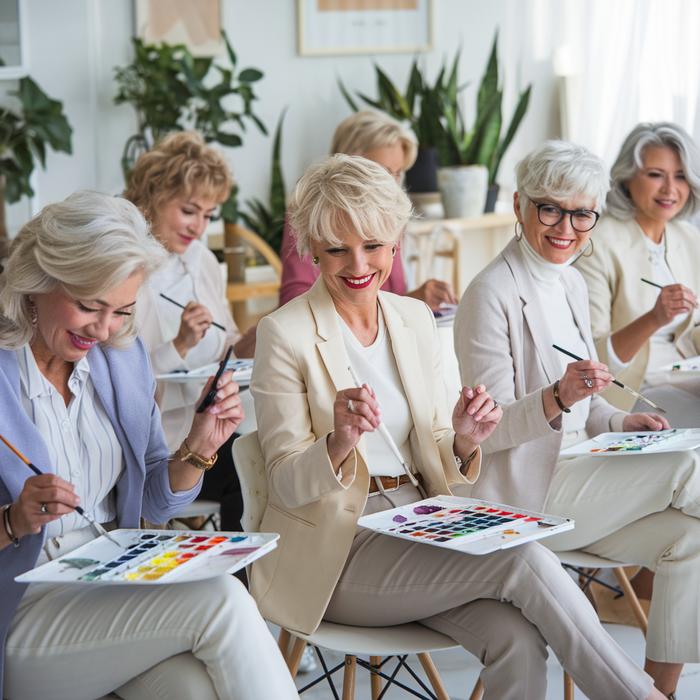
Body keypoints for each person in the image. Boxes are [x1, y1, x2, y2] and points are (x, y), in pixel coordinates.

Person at [250, 154, 662, 700]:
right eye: (336, 249)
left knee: (515, 636)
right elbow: (283, 482)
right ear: (312, 250)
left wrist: (466, 437)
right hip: (339, 555)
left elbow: (442, 452)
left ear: (395, 241)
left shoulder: (412, 319)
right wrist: (339, 441)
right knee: (522, 556)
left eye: (372, 245)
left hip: (423, 523)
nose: (357, 264)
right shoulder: (284, 334)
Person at [0, 192, 298, 700]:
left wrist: (198, 449)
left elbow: (157, 500)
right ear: (38, 283)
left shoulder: (120, 356)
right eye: (88, 306)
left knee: (193, 690)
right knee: (223, 599)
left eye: (121, 310)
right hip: (25, 612)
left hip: (114, 587)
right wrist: (13, 521)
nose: (102, 328)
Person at [455, 140, 700, 699]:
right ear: (520, 206)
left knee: (689, 537)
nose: (566, 227)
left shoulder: (567, 278)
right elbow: (486, 435)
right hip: (529, 490)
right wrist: (558, 397)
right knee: (688, 468)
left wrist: (617, 422)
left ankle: (655, 692)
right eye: (551, 209)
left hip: (582, 473)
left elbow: (590, 405)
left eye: (581, 213)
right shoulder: (490, 294)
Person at [125, 132, 250, 532]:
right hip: (158, 446)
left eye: (209, 215)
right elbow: (122, 379)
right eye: (189, 211)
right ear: (153, 197)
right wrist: (178, 345)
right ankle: (240, 583)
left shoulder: (202, 260)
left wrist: (260, 336)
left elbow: (227, 343)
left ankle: (253, 585)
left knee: (266, 458)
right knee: (249, 477)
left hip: (209, 430)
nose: (199, 227)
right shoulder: (127, 269)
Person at [574, 122, 700, 426]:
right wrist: (655, 317)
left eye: (681, 176)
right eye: (656, 175)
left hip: (686, 378)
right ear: (626, 178)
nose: (670, 189)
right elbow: (594, 361)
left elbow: (693, 329)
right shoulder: (597, 244)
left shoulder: (687, 237)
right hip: (632, 393)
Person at [279, 110, 456, 311]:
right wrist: (412, 301)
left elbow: (384, 293)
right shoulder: (311, 211)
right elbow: (292, 303)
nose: (392, 185)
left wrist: (413, 303)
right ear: (347, 164)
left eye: (398, 174)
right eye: (382, 172)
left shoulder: (391, 213)